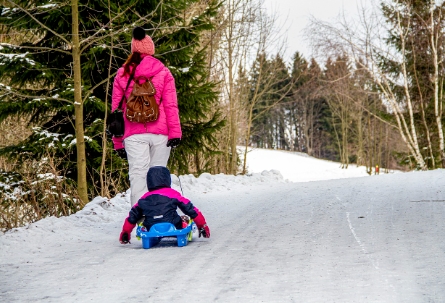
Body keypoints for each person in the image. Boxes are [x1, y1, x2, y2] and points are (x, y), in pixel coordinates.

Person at [112, 26, 182, 206]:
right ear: (151, 49)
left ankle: (139, 217)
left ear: (133, 48)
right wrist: (175, 133)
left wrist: (118, 141)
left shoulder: (122, 74)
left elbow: (117, 111)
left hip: (133, 133)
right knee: (157, 174)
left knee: (138, 174)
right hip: (161, 133)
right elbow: (171, 105)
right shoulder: (164, 72)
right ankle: (159, 215)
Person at [119, 166, 210, 244]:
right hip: (174, 225)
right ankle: (183, 229)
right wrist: (202, 225)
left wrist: (125, 232)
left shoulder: (143, 198)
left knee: (144, 221)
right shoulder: (173, 194)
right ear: (167, 179)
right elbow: (190, 209)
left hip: (151, 226)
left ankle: (149, 236)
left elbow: (132, 216)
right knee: (185, 218)